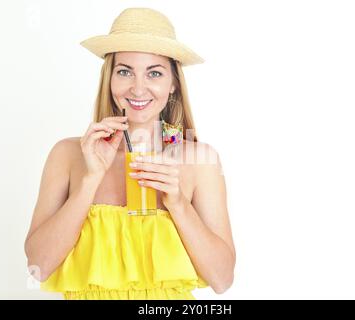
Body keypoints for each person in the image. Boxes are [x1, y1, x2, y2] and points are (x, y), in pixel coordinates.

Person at [24, 7, 235, 300]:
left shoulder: (201, 160)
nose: (138, 88)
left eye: (154, 73)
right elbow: (38, 268)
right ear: (109, 79)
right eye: (125, 71)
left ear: (173, 83)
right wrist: (90, 181)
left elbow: (223, 280)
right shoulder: (67, 154)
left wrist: (177, 204)